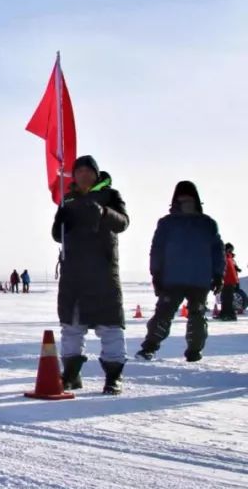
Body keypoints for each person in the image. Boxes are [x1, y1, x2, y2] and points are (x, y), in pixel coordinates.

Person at [54, 155, 130, 395]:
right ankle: (71, 374)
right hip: (73, 273)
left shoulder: (110, 195)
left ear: (96, 174)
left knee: (110, 327)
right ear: (73, 176)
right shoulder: (68, 200)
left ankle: (113, 377)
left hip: (103, 272)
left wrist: (104, 212)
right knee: (72, 326)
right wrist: (60, 219)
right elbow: (58, 235)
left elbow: (123, 223)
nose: (84, 175)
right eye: (79, 171)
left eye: (89, 171)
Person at [135, 182, 225, 362]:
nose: (186, 202)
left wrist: (218, 274)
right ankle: (150, 347)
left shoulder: (207, 223)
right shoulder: (167, 223)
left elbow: (217, 250)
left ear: (196, 200)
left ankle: (193, 352)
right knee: (164, 314)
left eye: (189, 199)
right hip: (172, 279)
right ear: (175, 201)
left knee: (196, 316)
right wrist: (156, 274)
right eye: (182, 199)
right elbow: (157, 249)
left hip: (198, 279)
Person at [219, 243, 241, 321]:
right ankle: (224, 313)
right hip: (227, 280)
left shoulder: (228, 257)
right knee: (225, 297)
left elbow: (231, 269)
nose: (231, 251)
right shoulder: (227, 257)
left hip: (229, 280)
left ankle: (229, 314)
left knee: (227, 298)